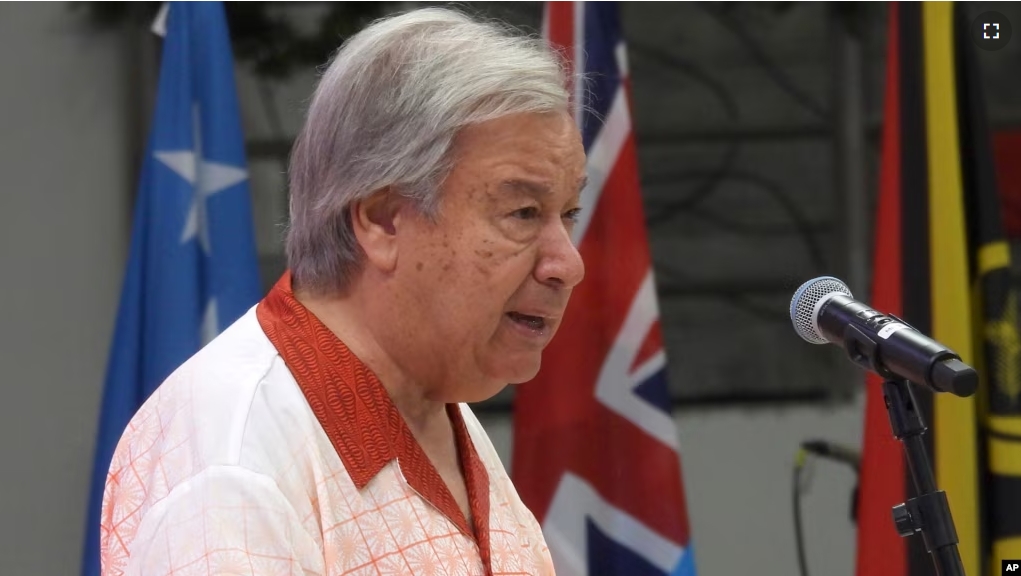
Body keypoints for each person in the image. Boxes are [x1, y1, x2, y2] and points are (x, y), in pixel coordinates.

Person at [100, 7, 586, 576]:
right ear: (382, 222)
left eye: (569, 212)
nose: (567, 264)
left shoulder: (432, 394)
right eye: (523, 212)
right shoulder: (235, 469)